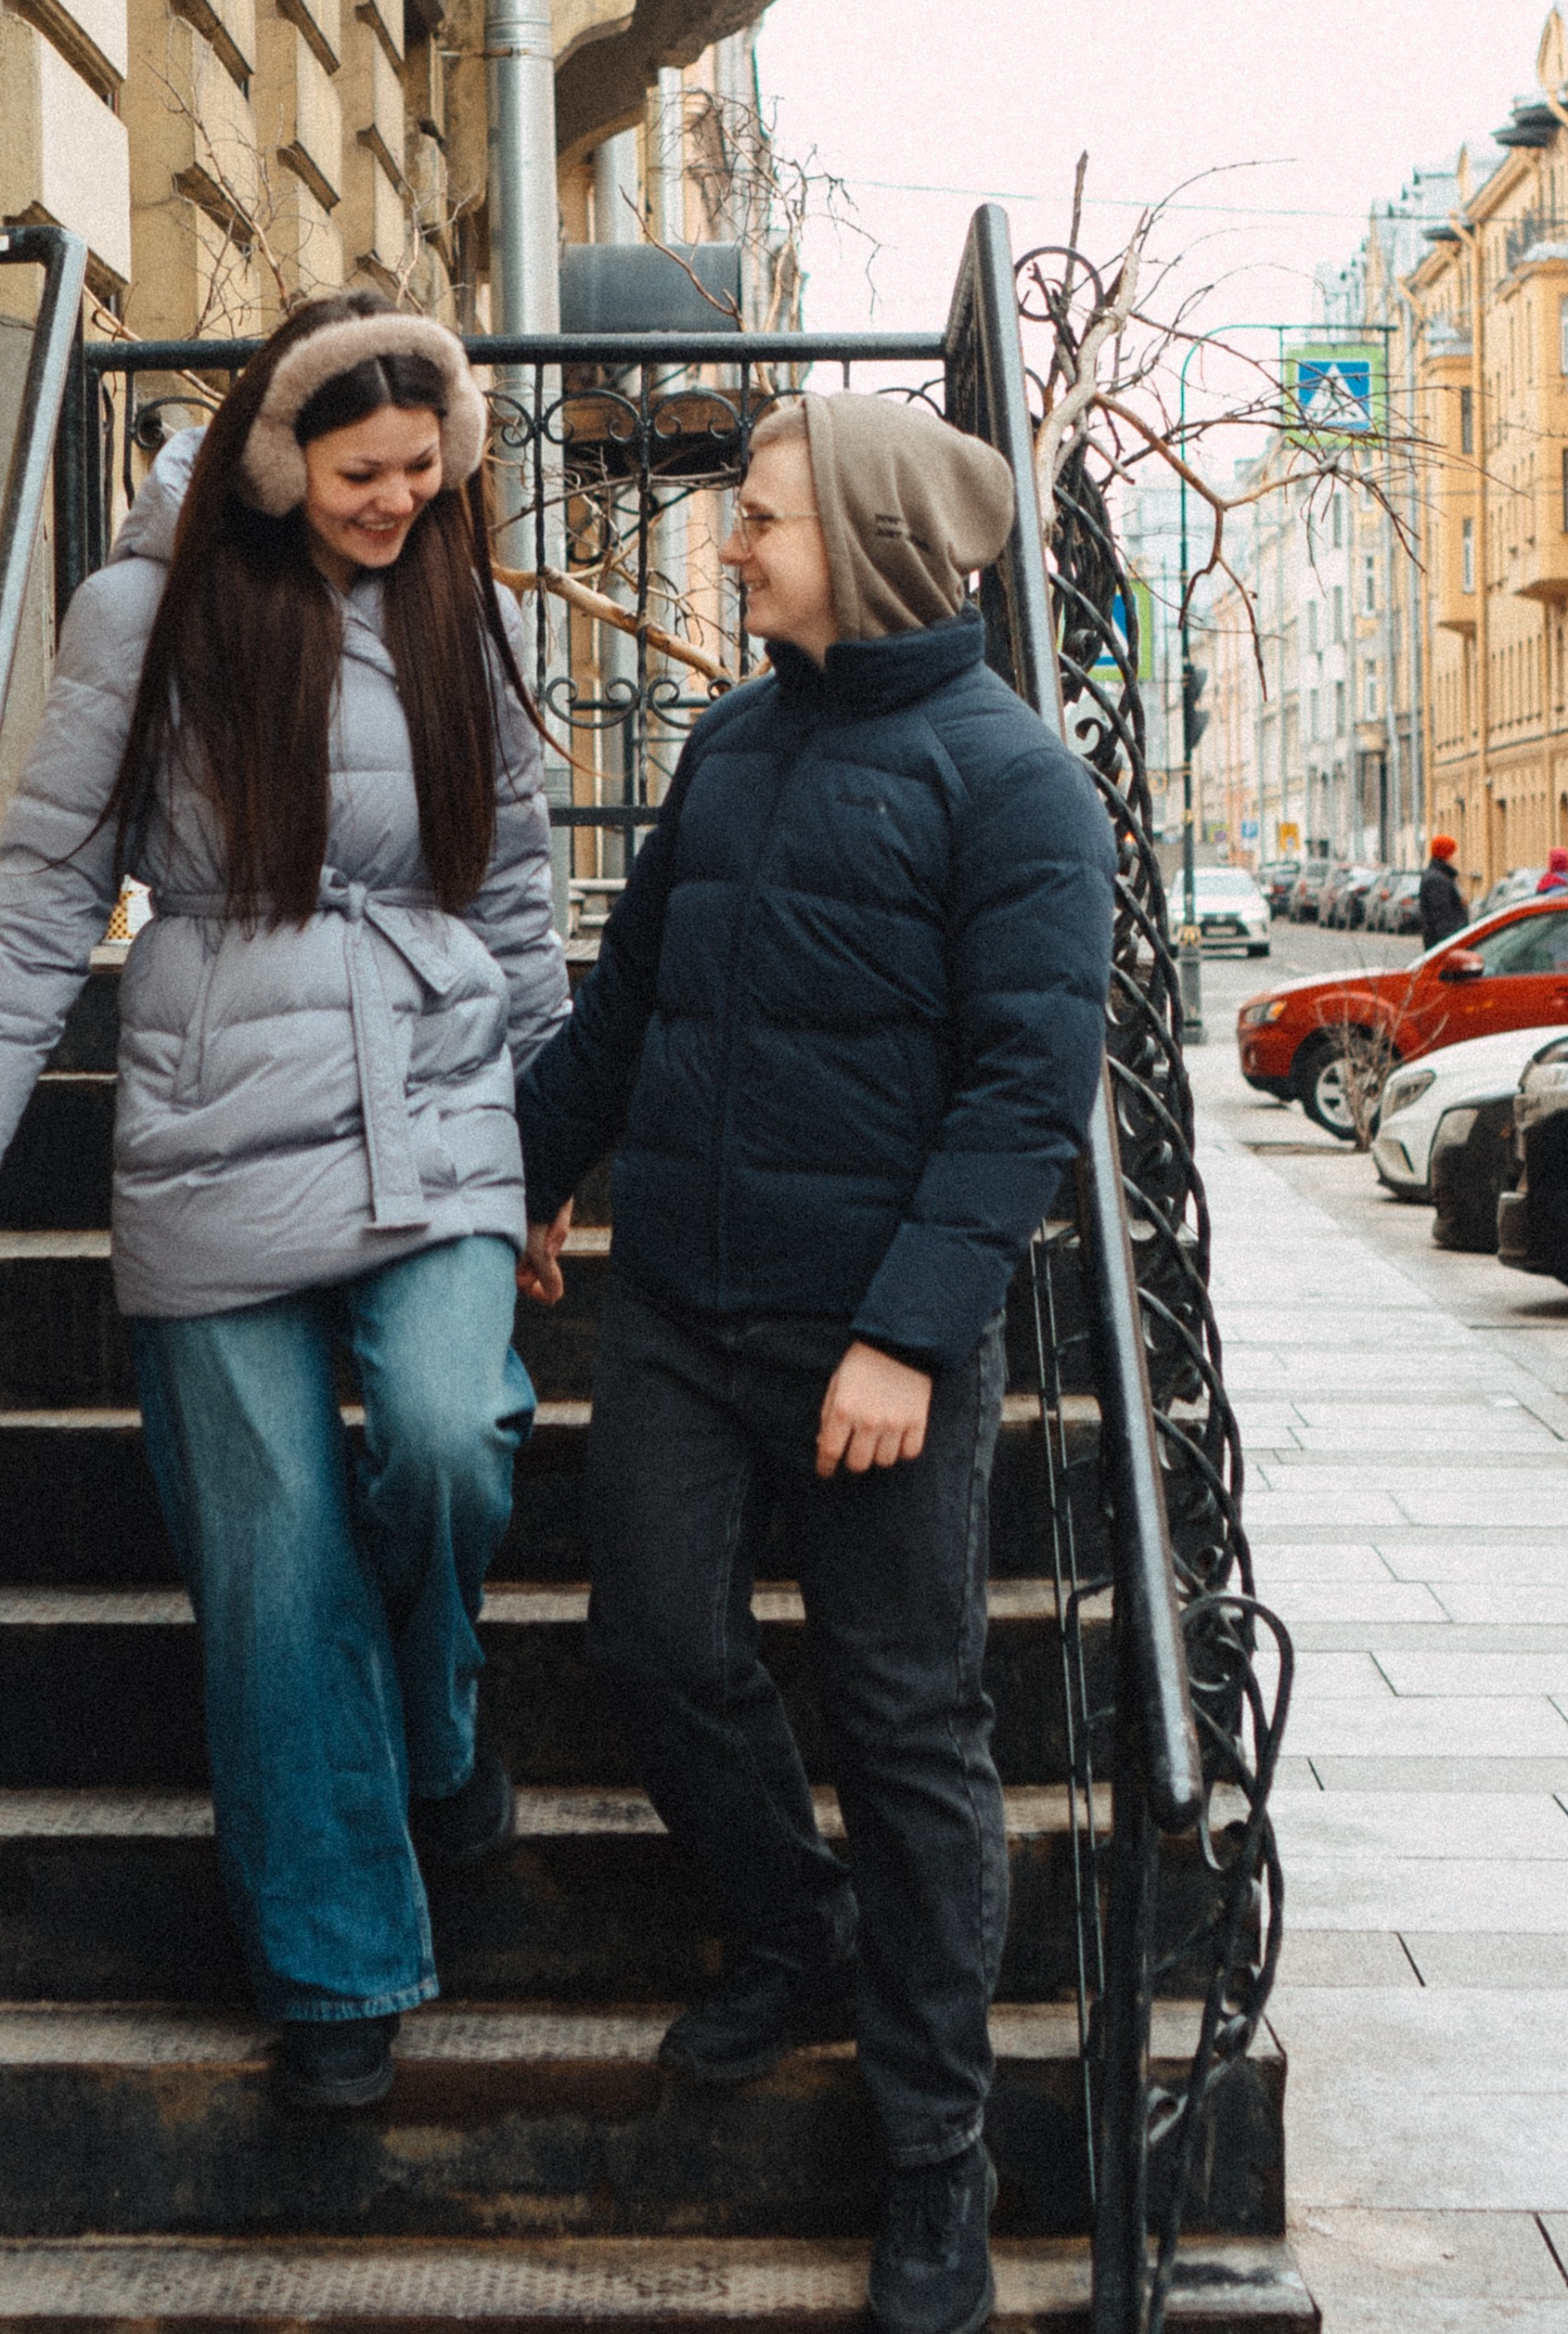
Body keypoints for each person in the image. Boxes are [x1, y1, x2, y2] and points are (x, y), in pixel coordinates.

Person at [0, 293, 567, 2110]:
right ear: (272, 459)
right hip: (206, 1106)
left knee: (448, 1436)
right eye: (359, 472)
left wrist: (556, 1155)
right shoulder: (135, 615)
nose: (398, 500)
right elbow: (37, 891)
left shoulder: (462, 612)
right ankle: (332, 1970)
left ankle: (440, 1726)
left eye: (424, 469)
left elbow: (524, 896)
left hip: (437, 1101)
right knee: (267, 1555)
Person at [516, 393, 1116, 2334]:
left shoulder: (1011, 781)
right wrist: (524, 1180)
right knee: (656, 1640)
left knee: (906, 1729)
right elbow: (629, 1003)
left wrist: (905, 1335)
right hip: (681, 1306)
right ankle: (794, 1928)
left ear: (849, 542)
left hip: (870, 1345)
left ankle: (935, 2159)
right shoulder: (730, 740)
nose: (727, 546)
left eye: (757, 519)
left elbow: (1027, 1090)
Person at [1417, 834, 1467, 948]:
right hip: (1444, 946)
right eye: (1453, 852)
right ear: (1446, 854)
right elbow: (1442, 919)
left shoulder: (1440, 877)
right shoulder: (1438, 880)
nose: (1457, 856)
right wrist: (1451, 945)